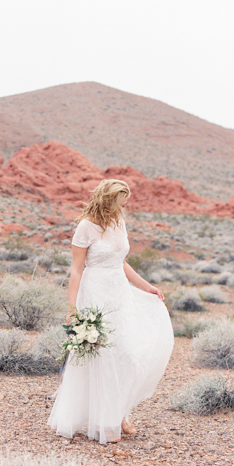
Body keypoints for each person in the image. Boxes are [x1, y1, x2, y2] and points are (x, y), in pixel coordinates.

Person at [47, 179, 174, 444]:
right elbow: (77, 270)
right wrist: (72, 308)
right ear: (107, 200)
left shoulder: (119, 222)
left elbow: (122, 263)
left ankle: (120, 412)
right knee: (103, 356)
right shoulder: (85, 227)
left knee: (128, 353)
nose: (123, 207)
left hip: (120, 294)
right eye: (120, 202)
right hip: (95, 294)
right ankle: (107, 421)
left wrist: (147, 286)